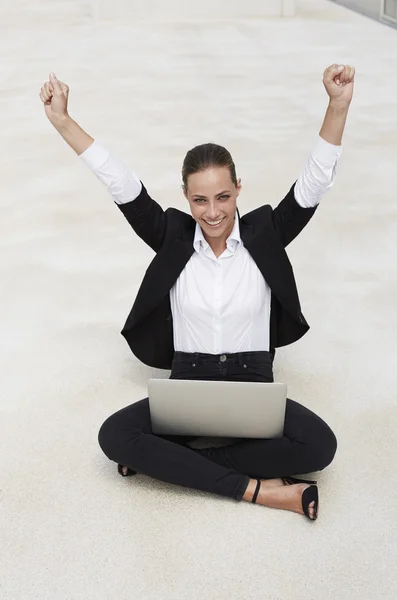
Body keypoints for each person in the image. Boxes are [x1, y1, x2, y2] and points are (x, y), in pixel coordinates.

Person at [40, 63, 355, 521]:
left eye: (223, 197)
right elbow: (120, 182)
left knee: (319, 446)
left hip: (252, 383)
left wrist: (337, 104)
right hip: (187, 383)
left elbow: (313, 183)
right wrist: (63, 121)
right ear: (186, 197)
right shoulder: (170, 235)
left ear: (238, 191)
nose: (213, 213)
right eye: (200, 200)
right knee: (114, 436)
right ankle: (263, 491)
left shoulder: (265, 233)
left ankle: (169, 466)